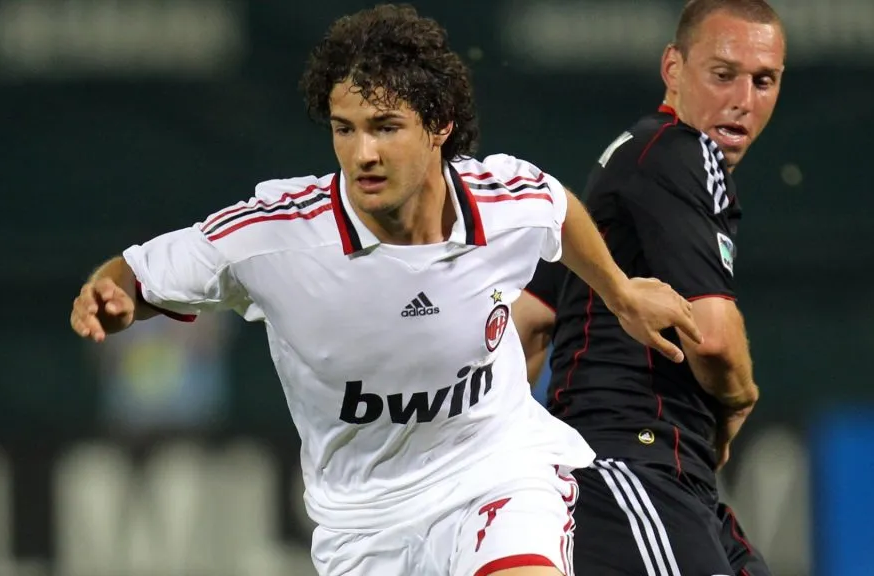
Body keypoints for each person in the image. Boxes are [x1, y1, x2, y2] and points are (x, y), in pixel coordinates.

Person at [69, 5, 701, 576]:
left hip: (497, 474)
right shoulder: (275, 235)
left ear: (440, 125)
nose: (362, 153)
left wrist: (620, 294)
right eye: (345, 129)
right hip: (364, 526)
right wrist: (115, 293)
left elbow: (557, 209)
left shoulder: (502, 202)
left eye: (385, 127)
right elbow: (141, 271)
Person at [512, 0, 785, 574]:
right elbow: (712, 340)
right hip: (630, 465)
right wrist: (738, 397)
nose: (743, 99)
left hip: (654, 474)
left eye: (764, 81)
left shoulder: (623, 168)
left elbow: (527, 323)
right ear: (673, 69)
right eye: (723, 73)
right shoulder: (681, 153)